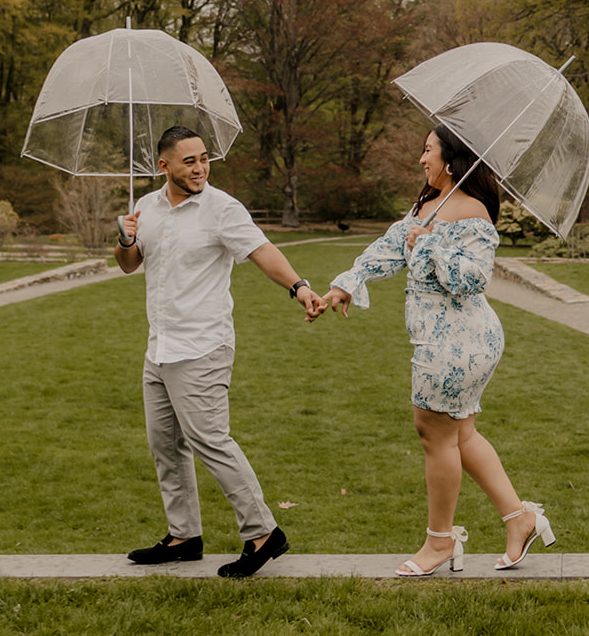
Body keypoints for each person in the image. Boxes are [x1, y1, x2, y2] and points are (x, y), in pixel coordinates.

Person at [323, 124, 556, 576]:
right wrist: (346, 283)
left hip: (458, 342)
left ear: (450, 159)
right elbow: (390, 247)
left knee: (434, 435)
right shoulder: (430, 204)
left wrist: (428, 246)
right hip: (442, 339)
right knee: (460, 435)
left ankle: (440, 542)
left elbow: (474, 279)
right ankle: (520, 518)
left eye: (427, 150)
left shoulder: (472, 213)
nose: (420, 158)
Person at [116, 124, 322, 578]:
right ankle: (184, 536)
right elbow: (130, 265)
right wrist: (127, 238)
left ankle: (264, 533)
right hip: (160, 346)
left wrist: (299, 287)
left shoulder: (221, 208)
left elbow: (261, 250)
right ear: (163, 165)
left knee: (210, 439)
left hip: (203, 345)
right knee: (165, 446)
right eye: (189, 161)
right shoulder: (145, 207)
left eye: (204, 158)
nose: (200, 168)